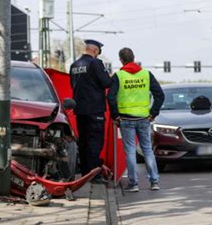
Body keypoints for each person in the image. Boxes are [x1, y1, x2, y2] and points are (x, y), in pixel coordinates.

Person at [107, 48, 164, 192]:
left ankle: (134, 183)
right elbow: (160, 95)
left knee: (130, 151)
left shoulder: (118, 76)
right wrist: (153, 113)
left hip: (125, 119)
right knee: (147, 150)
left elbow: (111, 97)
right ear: (133, 58)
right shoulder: (146, 74)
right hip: (144, 118)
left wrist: (115, 116)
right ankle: (154, 181)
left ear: (121, 60)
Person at [70, 39, 112, 184]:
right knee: (95, 142)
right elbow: (106, 82)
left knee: (84, 142)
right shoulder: (95, 63)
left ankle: (85, 173)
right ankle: (94, 174)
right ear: (95, 51)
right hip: (95, 110)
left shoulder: (74, 65)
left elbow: (73, 85)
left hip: (80, 110)